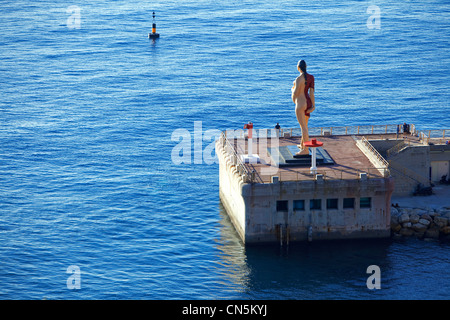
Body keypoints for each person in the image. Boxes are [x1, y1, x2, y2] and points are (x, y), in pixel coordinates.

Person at [292, 60, 315, 155]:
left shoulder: (298, 79)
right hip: (308, 102)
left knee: (303, 127)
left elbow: (295, 93)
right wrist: (313, 105)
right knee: (305, 125)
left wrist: (292, 88)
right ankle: (302, 144)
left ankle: (305, 150)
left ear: (298, 68)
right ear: (306, 66)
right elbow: (312, 93)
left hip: (300, 104)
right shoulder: (311, 77)